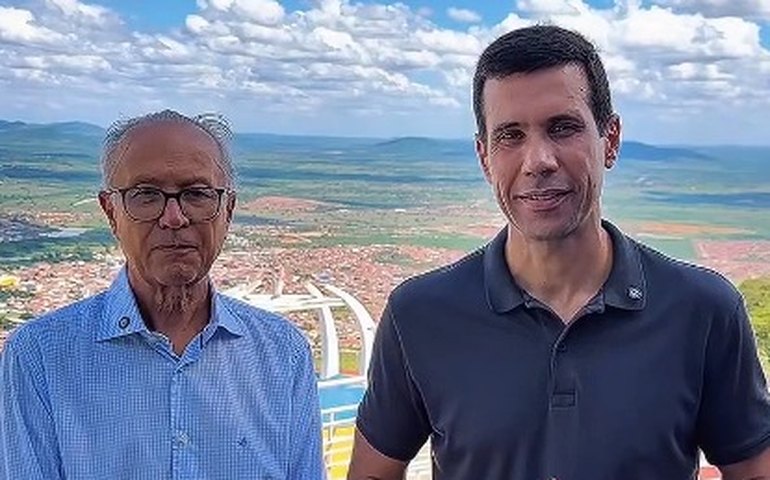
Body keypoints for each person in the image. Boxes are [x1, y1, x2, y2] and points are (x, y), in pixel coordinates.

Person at [347, 25, 770, 479]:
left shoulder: (702, 310)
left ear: (610, 139)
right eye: (510, 136)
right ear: (484, 157)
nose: (539, 161)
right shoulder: (419, 315)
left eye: (563, 128)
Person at [0, 110, 325, 479]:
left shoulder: (283, 354)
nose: (174, 217)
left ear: (228, 211)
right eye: (146, 195)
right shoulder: (40, 357)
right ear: (111, 212)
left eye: (197, 194)